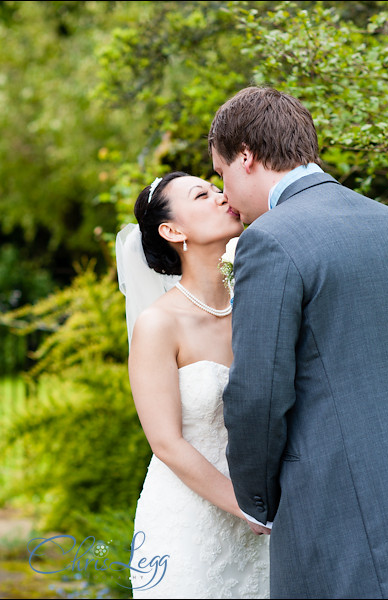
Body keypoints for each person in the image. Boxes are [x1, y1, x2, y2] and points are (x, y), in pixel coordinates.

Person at [210, 86, 388, 598]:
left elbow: (258, 395)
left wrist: (255, 499)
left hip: (339, 524)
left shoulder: (271, 240)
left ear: (245, 157)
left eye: (221, 174)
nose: (225, 195)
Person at [116, 172, 269, 599]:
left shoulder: (259, 303)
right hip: (191, 524)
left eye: (217, 188)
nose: (221, 196)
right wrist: (246, 508)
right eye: (202, 194)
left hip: (270, 520)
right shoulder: (158, 324)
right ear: (172, 231)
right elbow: (166, 443)